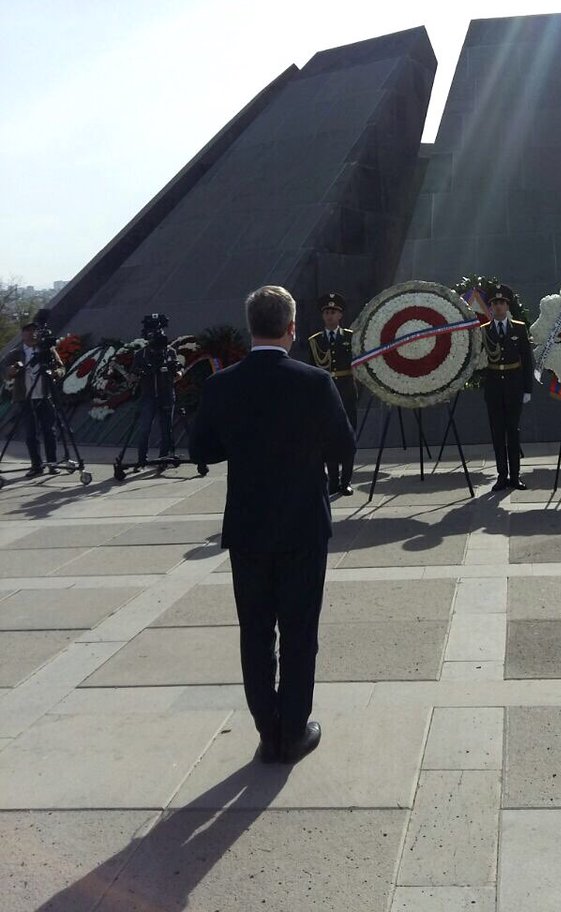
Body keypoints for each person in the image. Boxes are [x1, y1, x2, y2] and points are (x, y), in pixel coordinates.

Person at [190, 285, 355, 765]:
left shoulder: (222, 385)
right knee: (300, 631)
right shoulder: (314, 382)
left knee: (256, 632)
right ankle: (293, 730)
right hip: (303, 524)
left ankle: (268, 731)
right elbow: (343, 447)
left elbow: (201, 450)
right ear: (292, 328)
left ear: (250, 327)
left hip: (249, 526)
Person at [481, 285, 534, 492]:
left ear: (507, 305)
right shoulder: (484, 330)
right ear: (490, 307)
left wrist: (527, 389)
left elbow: (527, 360)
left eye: (502, 303)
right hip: (494, 387)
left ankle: (515, 476)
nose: (498, 306)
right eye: (495, 303)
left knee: (513, 431)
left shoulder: (519, 328)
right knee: (497, 433)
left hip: (514, 386)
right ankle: (501, 476)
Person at [307, 292, 357, 496]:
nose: (329, 315)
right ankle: (333, 481)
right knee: (328, 438)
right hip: (326, 394)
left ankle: (346, 481)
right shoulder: (315, 341)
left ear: (340, 315)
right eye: (326, 312)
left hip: (346, 392)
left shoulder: (350, 337)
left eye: (333, 312)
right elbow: (312, 369)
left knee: (348, 437)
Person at [4, 319, 62, 477]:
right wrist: (11, 370)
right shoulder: (15, 353)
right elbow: (5, 372)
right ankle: (36, 465)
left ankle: (52, 463)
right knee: (31, 433)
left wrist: (56, 373)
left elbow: (60, 367)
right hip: (24, 398)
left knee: (49, 431)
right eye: (28, 331)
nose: (32, 334)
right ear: (22, 334)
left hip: (44, 395)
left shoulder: (47, 350)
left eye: (34, 330)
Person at [130, 332, 183, 466]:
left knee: (166, 428)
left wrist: (176, 373)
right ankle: (142, 459)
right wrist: (142, 373)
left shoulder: (170, 352)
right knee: (145, 428)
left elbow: (178, 372)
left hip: (166, 394)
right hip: (148, 395)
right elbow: (133, 375)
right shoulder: (141, 354)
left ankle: (163, 459)